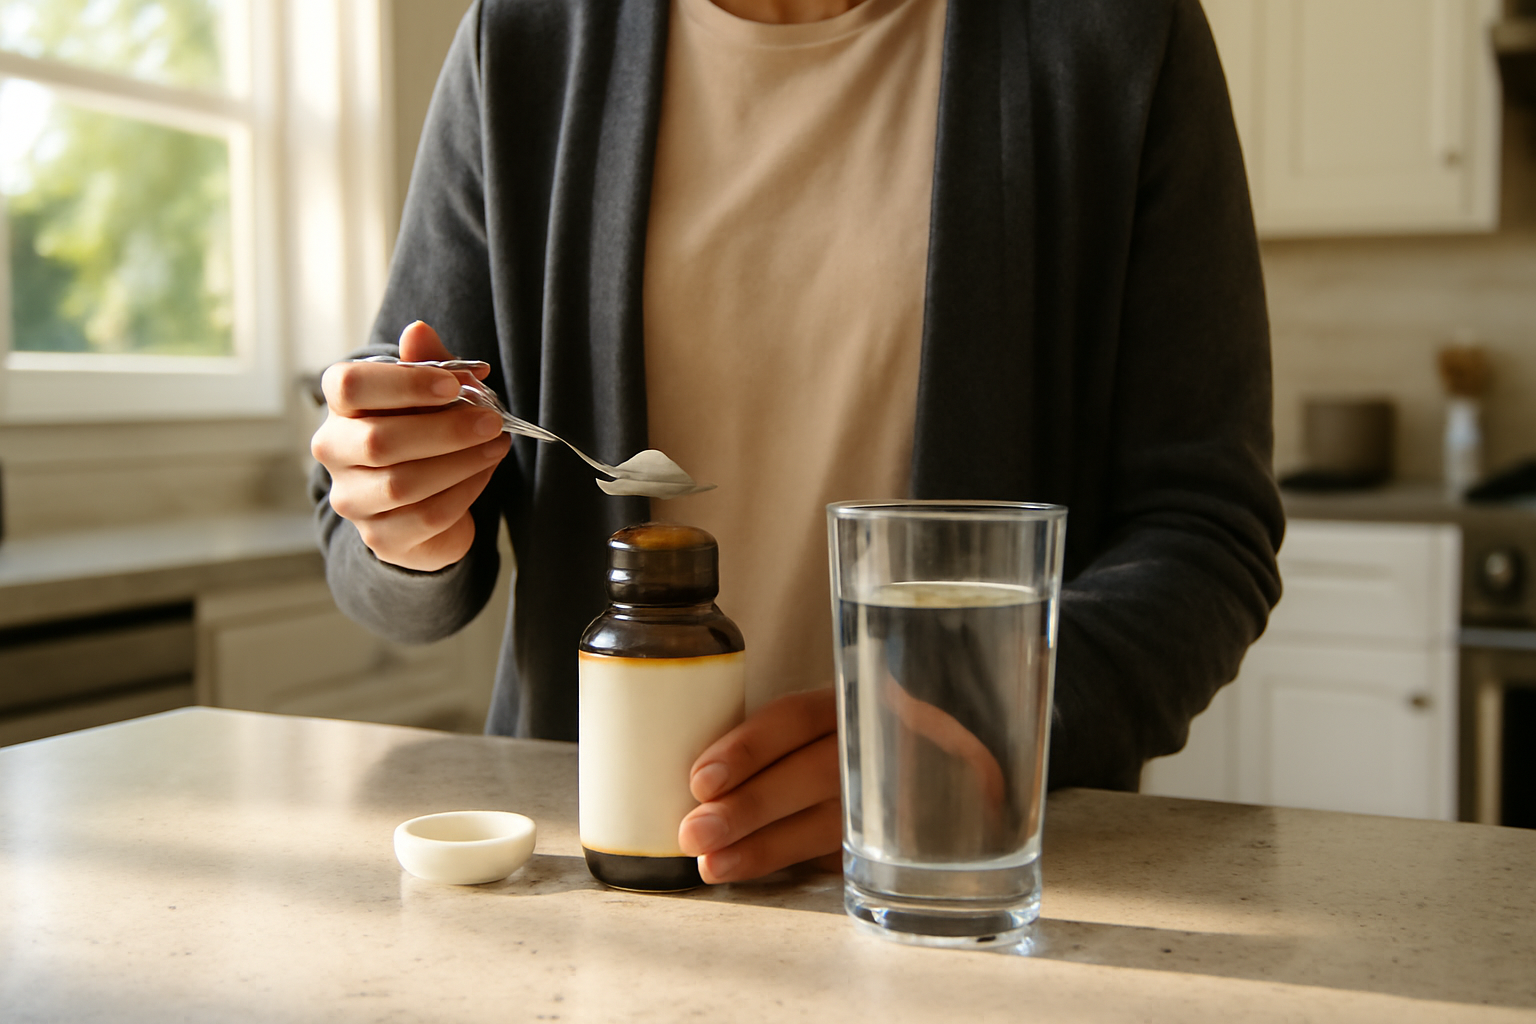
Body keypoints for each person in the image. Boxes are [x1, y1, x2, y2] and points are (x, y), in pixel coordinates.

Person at [310, 0, 1284, 886]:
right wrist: (406, 514)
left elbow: (1204, 530)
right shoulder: (523, 39)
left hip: (959, 883)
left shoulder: (1116, 34)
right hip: (594, 879)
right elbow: (373, 551)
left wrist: (989, 717)